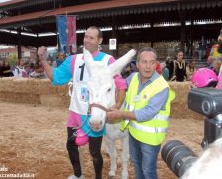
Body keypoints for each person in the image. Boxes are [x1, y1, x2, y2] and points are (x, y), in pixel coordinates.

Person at [37, 26, 127, 179]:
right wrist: (44, 61)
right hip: (75, 112)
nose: (87, 40)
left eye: (91, 38)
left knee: (94, 152)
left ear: (100, 41)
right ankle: (78, 175)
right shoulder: (74, 59)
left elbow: (121, 86)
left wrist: (117, 107)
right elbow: (57, 78)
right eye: (85, 37)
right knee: (71, 145)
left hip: (95, 114)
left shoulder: (107, 60)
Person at [106, 47, 175, 179]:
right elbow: (118, 85)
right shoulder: (132, 78)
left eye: (152, 62)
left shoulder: (161, 87)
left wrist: (120, 114)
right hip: (134, 134)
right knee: (137, 165)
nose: (148, 66)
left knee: (148, 171)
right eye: (144, 62)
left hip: (150, 139)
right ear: (137, 64)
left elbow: (147, 113)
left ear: (157, 64)